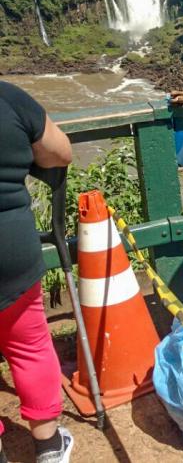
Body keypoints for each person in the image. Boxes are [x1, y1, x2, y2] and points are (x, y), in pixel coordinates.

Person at [0, 81, 75, 463]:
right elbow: (60, 152)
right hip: (10, 251)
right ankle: (48, 447)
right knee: (29, 345)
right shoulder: (9, 98)